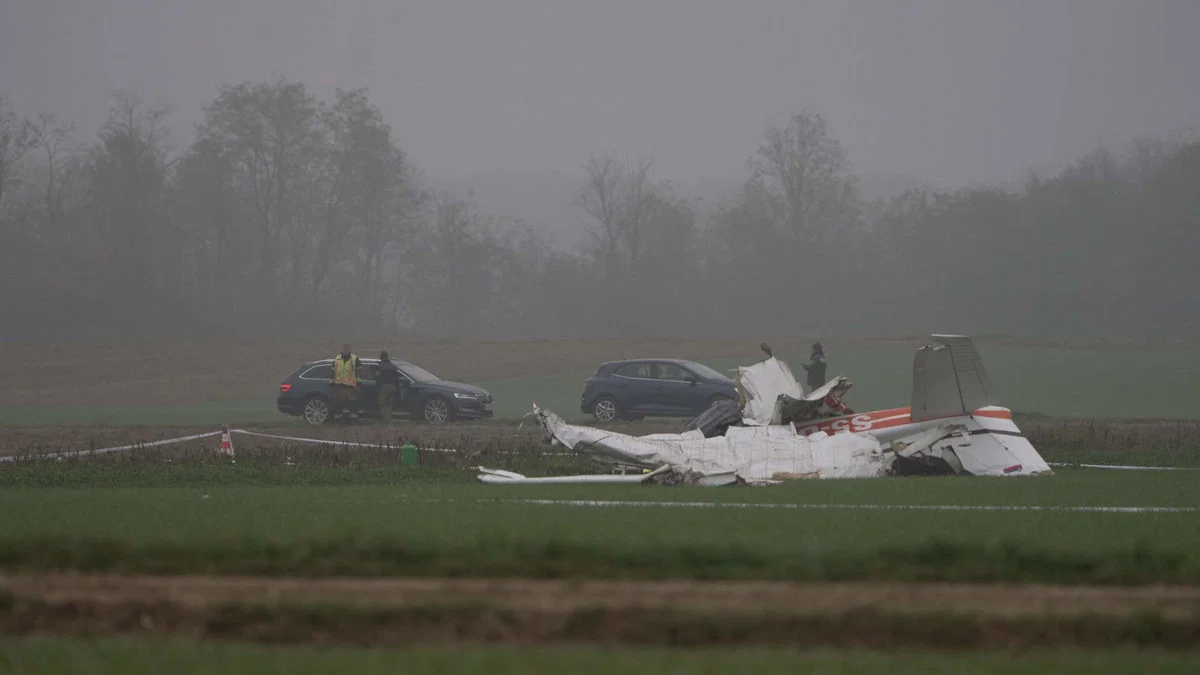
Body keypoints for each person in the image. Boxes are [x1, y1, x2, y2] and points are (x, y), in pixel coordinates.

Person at [329, 344, 361, 423]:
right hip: (338, 385)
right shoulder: (337, 359)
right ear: (342, 350)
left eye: (347, 349)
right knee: (338, 405)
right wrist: (331, 382)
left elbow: (359, 372)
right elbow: (332, 372)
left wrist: (359, 383)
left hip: (351, 386)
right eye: (344, 349)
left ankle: (353, 421)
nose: (346, 350)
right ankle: (338, 421)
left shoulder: (355, 359)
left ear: (350, 350)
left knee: (352, 405)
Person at [376, 350, 401, 424]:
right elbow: (397, 379)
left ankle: (387, 421)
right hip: (393, 387)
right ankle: (389, 419)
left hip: (384, 387)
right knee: (389, 405)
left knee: (382, 404)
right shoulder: (394, 366)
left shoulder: (380, 366)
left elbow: (378, 379)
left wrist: (377, 389)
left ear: (381, 357)